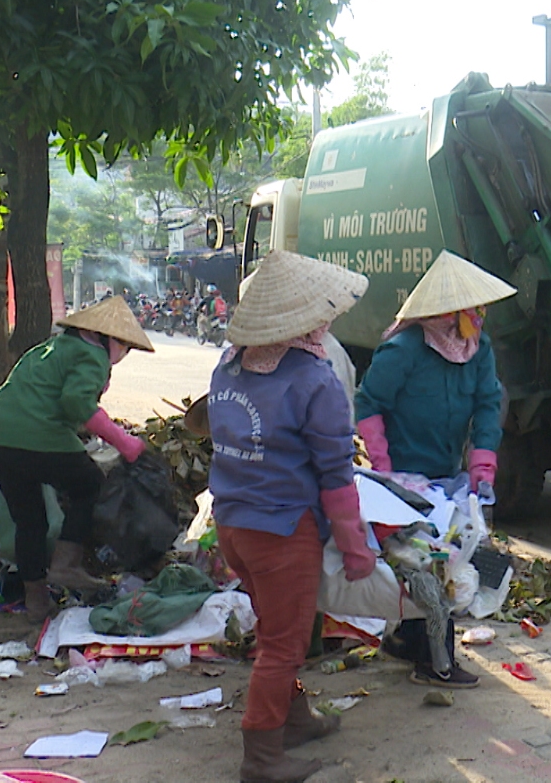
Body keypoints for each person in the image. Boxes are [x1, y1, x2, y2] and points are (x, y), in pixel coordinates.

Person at [208, 250, 372, 783]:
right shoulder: (315, 379)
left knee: (277, 630)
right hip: (282, 531)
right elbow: (336, 474)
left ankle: (294, 720)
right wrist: (356, 547)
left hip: (233, 523)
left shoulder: (228, 366)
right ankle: (262, 760)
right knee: (284, 643)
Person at [354, 250, 515, 688]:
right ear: (444, 314)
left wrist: (483, 463)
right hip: (402, 480)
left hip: (446, 474)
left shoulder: (478, 350)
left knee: (442, 559)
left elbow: (486, 405)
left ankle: (407, 641)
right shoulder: (403, 349)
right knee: (428, 565)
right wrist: (385, 469)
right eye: (469, 311)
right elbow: (368, 404)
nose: (477, 318)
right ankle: (435, 661)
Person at [0, 297, 154, 622]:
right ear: (108, 338)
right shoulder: (92, 354)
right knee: (89, 485)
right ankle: (66, 565)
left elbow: (47, 395)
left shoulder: (52, 347)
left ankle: (37, 602)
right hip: (36, 435)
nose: (123, 354)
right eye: (125, 346)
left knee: (30, 520)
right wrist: (126, 443)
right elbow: (76, 403)